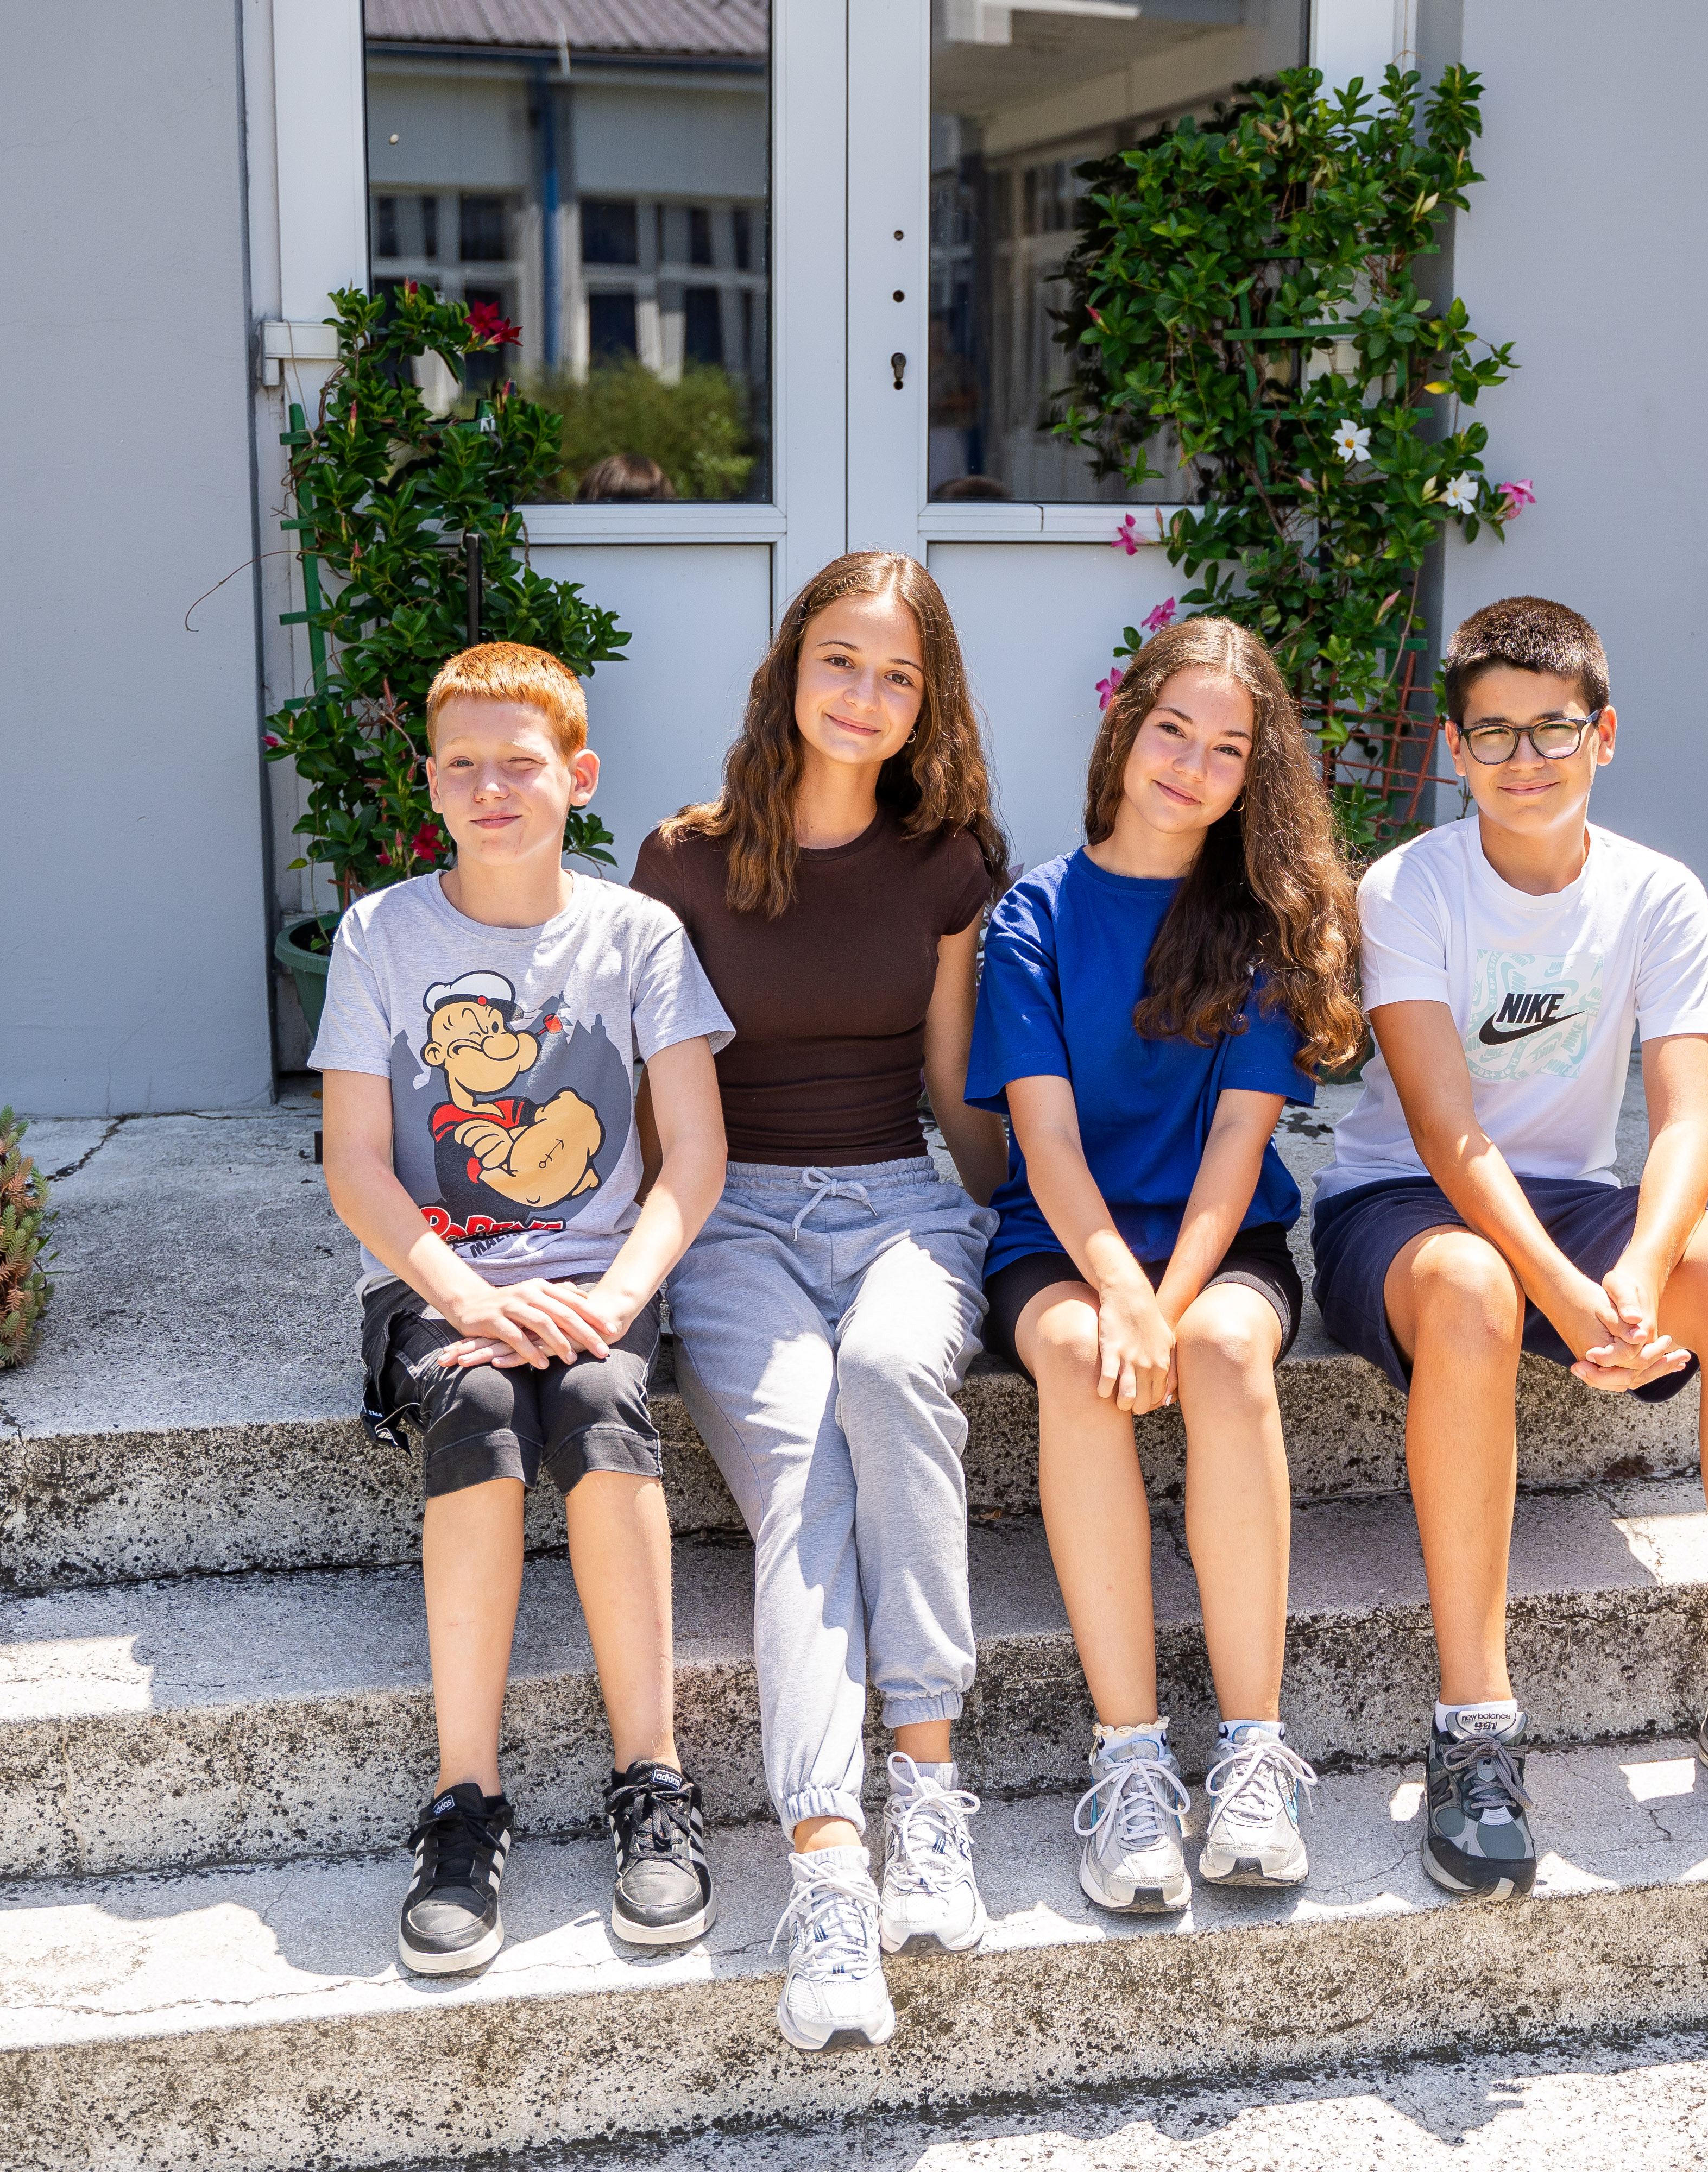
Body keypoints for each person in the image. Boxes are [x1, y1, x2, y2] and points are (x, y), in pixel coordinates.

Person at [1310, 595, 1708, 1895]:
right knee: (1469, 1282)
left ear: (1603, 733)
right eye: (1492, 734)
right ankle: (1475, 1724)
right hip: (1399, 1209)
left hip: (1573, 1197)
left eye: (1553, 729)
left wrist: (1635, 1263)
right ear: (1455, 749)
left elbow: (1684, 1122)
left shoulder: (1658, 892)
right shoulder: (1412, 886)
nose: (1524, 759)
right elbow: (1448, 1136)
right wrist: (1566, 1290)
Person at [632, 552, 1010, 2053]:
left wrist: (1038, 1231)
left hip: (902, 1203)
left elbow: (951, 1086)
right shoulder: (683, 860)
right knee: (794, 1458)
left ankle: (928, 1785)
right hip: (735, 1226)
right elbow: (664, 1114)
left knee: (893, 1376)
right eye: (841, 662)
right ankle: (829, 1867)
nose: (866, 696)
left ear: (931, 703)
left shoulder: (949, 859)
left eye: (899, 675)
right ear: (792, 671)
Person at [313, 641, 735, 1978]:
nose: (491, 787)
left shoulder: (636, 936)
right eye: (462, 764)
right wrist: (460, 1295)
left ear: (579, 777)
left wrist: (616, 1298)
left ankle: (653, 1786)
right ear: (430, 783)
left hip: (601, 1272)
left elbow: (697, 1154)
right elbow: (357, 1163)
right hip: (440, 1280)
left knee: (603, 1396)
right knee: (485, 1400)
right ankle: (463, 1803)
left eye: (521, 762)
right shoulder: (382, 932)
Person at [967, 615, 1364, 1915]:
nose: (1192, 763)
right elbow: (1046, 1136)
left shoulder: (1257, 925)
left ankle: (1254, 1750)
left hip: (1216, 1237)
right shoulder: (1034, 910)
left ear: (1256, 775)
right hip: (1061, 1241)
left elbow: (1240, 1147)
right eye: (1174, 729)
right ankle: (1131, 1760)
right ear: (1127, 727)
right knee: (1085, 1357)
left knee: (1228, 1347)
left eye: (1228, 747)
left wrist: (1170, 1297)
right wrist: (1118, 1294)